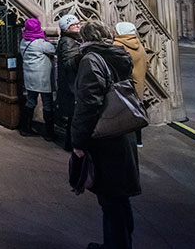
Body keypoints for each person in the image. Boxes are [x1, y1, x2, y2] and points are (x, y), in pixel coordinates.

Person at [72, 21, 140, 249]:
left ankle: (116, 246)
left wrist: (79, 141)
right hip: (122, 129)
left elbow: (89, 104)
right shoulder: (119, 53)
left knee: (110, 198)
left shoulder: (91, 59)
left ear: (85, 37)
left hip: (105, 132)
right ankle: (120, 243)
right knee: (119, 197)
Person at [18, 17, 56, 140]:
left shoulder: (24, 41)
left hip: (29, 76)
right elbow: (53, 49)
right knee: (47, 103)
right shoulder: (39, 43)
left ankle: (25, 127)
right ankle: (49, 133)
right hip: (42, 78)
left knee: (30, 101)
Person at [113, 22, 148, 148]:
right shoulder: (138, 43)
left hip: (124, 85)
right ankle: (138, 141)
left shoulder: (118, 45)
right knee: (136, 112)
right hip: (138, 85)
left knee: (123, 115)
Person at [56, 14, 82, 151]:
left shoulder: (72, 40)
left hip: (72, 84)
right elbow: (68, 63)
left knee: (73, 117)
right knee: (74, 117)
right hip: (72, 86)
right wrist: (83, 56)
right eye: (74, 25)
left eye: (78, 23)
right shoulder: (67, 41)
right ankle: (71, 144)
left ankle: (71, 143)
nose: (78, 26)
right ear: (66, 28)